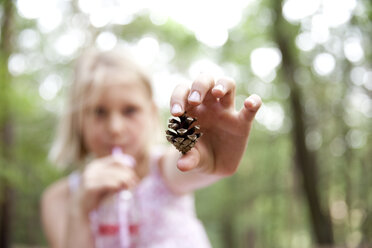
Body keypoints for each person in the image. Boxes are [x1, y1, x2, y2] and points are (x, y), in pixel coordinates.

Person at [41, 46, 262, 248]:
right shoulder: (61, 199)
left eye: (130, 110)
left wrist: (210, 158)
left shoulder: (163, 169)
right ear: (78, 121)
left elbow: (189, 165)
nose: (115, 128)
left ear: (151, 113)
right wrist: (80, 210)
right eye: (99, 112)